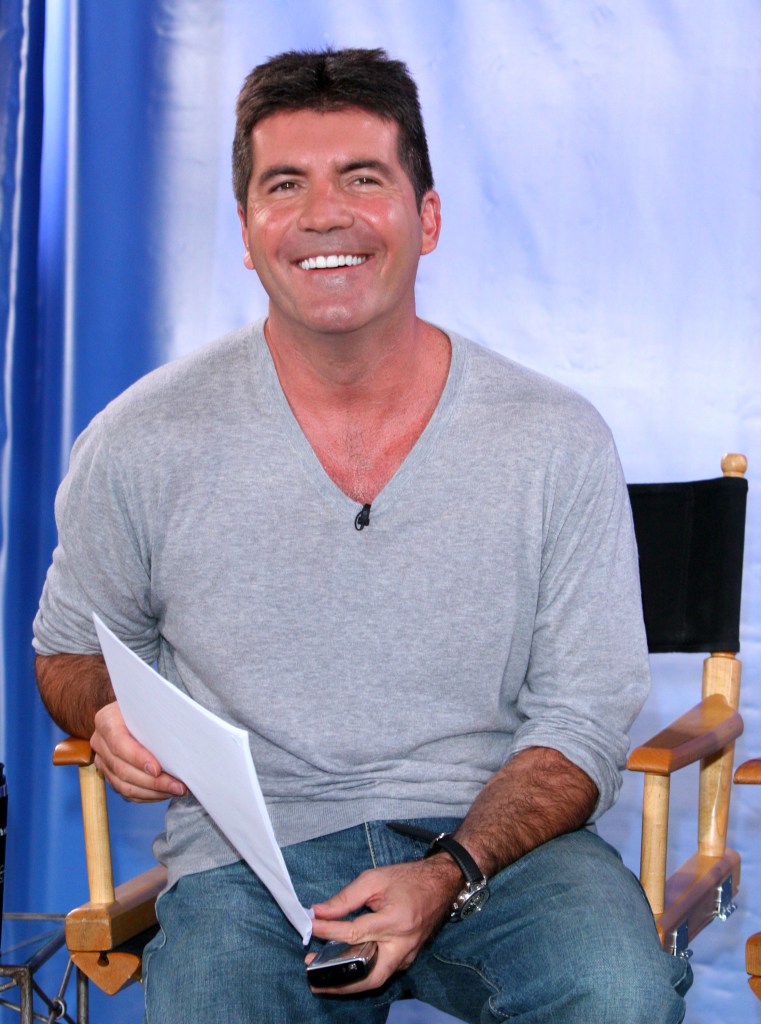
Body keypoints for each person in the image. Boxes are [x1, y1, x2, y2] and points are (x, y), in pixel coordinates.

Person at [34, 47, 691, 1022]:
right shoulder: (139, 439)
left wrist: (446, 871)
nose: (322, 214)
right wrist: (108, 714)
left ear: (426, 219)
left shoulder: (551, 438)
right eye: (284, 184)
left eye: (362, 178)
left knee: (616, 994)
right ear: (249, 231)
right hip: (250, 862)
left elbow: (580, 720)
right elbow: (68, 652)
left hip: (502, 851)